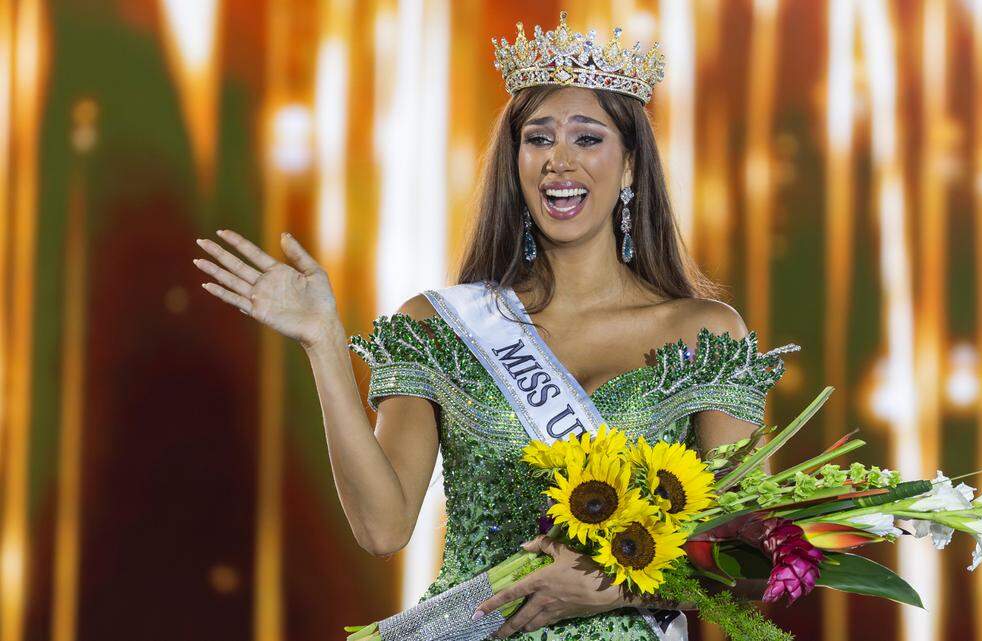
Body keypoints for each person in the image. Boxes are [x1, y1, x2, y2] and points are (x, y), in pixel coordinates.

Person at [193, 11, 789, 640]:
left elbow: (752, 558)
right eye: (538, 139)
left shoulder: (702, 334)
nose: (559, 161)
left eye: (587, 139)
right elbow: (382, 529)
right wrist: (323, 343)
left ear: (632, 166)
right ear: (516, 164)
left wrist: (613, 581)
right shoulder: (444, 326)